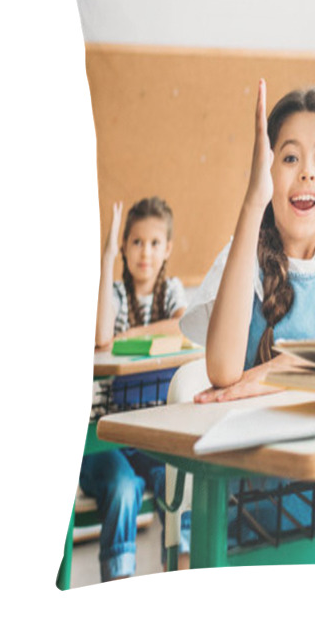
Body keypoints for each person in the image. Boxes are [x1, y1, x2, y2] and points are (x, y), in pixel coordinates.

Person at [182, 81, 315, 538]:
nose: (307, 174)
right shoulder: (241, 257)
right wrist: (252, 200)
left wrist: (278, 369)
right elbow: (221, 369)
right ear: (266, 173)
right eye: (289, 158)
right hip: (252, 513)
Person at [82, 196, 187, 581]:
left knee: (177, 484)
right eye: (136, 242)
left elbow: (183, 325)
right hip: (106, 436)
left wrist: (135, 334)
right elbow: (101, 336)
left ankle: (179, 574)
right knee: (125, 491)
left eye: (155, 243)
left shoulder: (172, 290)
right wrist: (106, 257)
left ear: (168, 249)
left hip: (152, 434)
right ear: (124, 246)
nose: (146, 252)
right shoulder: (114, 295)